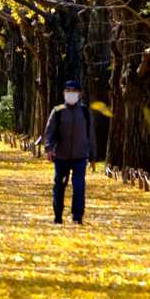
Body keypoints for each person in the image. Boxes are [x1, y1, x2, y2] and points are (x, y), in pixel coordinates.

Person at [44, 80, 97, 225]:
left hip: (80, 156)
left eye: (74, 91)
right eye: (68, 90)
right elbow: (49, 132)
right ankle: (58, 215)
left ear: (80, 93)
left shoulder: (85, 112)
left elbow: (90, 134)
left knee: (79, 186)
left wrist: (92, 155)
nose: (71, 93)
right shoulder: (58, 111)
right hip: (61, 156)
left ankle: (77, 216)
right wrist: (48, 148)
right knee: (59, 186)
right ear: (64, 93)